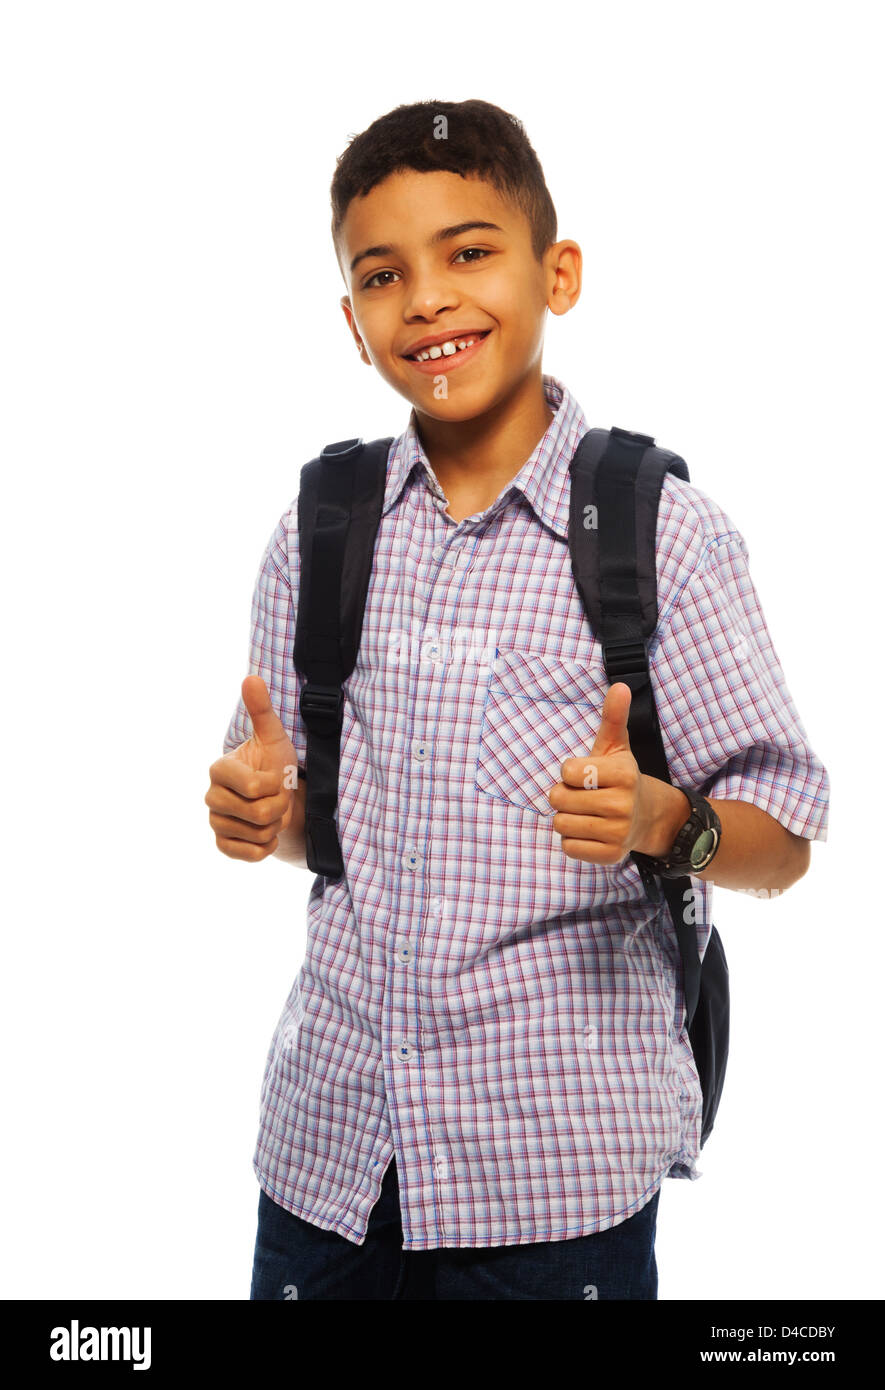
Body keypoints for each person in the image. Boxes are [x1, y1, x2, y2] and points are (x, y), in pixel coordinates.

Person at [205, 99, 830, 1300]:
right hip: (328, 1170)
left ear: (560, 273)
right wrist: (260, 814)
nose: (428, 297)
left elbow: (786, 840)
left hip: (551, 1194)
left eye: (470, 251)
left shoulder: (664, 537)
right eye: (384, 274)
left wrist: (665, 822)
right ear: (354, 322)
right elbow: (305, 816)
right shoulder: (322, 530)